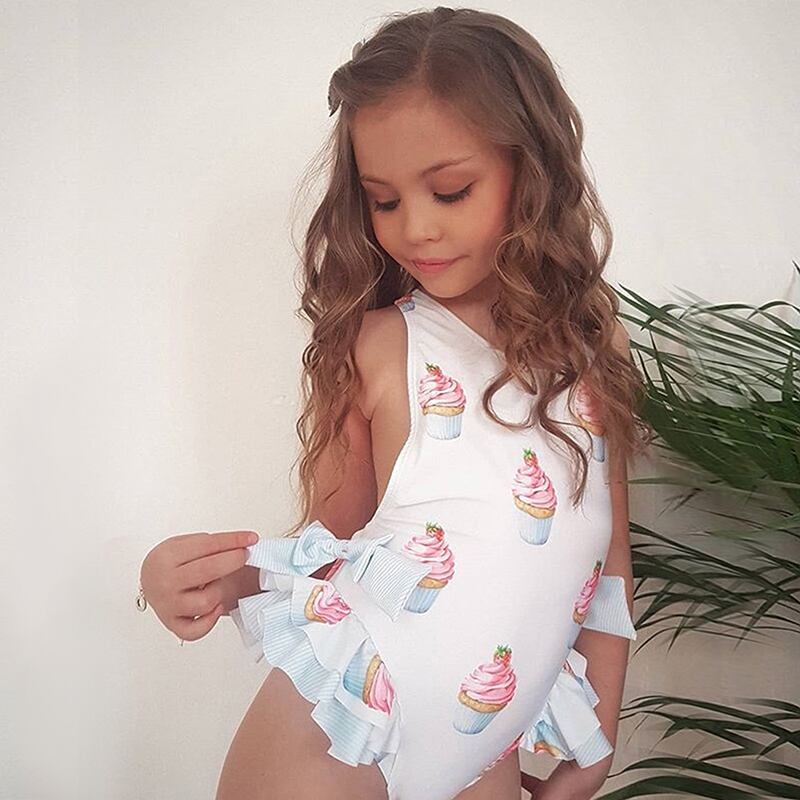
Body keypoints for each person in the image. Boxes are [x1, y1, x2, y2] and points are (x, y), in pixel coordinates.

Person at [138, 7, 654, 799]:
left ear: (533, 171)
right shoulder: (379, 347)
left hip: (487, 757)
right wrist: (211, 579)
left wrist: (596, 748)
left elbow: (607, 567)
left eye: (450, 190)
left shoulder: (593, 354)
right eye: (383, 200)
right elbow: (330, 548)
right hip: (334, 743)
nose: (416, 228)